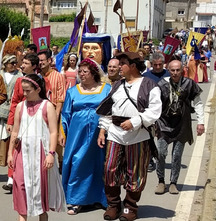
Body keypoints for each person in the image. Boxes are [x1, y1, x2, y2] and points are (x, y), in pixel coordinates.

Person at [96, 52, 162, 221]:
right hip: (115, 133)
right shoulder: (117, 84)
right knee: (110, 168)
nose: (119, 67)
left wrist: (135, 121)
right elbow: (108, 109)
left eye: (122, 63)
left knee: (135, 172)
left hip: (137, 135)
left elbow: (154, 111)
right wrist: (103, 130)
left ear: (132, 65)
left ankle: (131, 207)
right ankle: (113, 205)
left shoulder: (150, 85)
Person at [7, 74, 65, 221]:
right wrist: (10, 154)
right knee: (20, 185)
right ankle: (22, 217)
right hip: (22, 152)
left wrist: (51, 153)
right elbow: (15, 131)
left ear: (38, 89)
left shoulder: (48, 106)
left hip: (40, 153)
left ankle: (42, 216)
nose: (24, 94)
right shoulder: (21, 106)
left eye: (28, 90)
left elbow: (53, 132)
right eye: (23, 90)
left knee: (39, 188)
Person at [59, 58, 111, 215]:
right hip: (77, 134)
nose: (81, 74)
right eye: (79, 71)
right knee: (77, 161)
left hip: (99, 132)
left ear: (93, 73)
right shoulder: (72, 91)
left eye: (85, 71)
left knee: (99, 163)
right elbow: (66, 114)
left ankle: (101, 198)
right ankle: (76, 200)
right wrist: (63, 132)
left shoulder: (106, 89)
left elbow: (110, 111)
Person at [153, 60, 205, 195]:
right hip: (164, 124)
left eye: (177, 70)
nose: (175, 73)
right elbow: (154, 105)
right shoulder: (161, 84)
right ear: (168, 70)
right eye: (172, 70)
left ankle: (173, 183)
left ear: (182, 70)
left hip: (182, 124)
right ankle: (161, 181)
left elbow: (198, 103)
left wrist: (201, 122)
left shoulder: (189, 84)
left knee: (176, 155)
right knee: (160, 153)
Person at [2, 53, 40, 193]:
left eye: (26, 63)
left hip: (36, 118)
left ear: (34, 66)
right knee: (15, 145)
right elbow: (14, 102)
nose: (22, 66)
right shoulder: (19, 81)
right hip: (21, 118)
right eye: (22, 63)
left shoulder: (41, 81)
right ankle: (11, 179)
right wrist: (11, 121)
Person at [0, 55, 22, 170]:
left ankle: (10, 153)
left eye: (15, 63)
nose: (14, 65)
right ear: (5, 64)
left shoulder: (19, 75)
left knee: (10, 132)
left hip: (13, 106)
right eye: (11, 63)